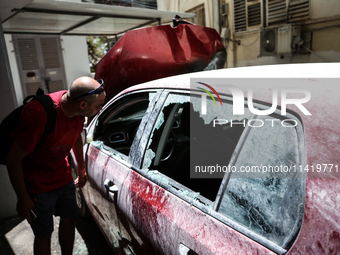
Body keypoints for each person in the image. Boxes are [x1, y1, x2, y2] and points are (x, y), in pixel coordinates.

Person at [6, 77, 106, 255]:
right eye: (98, 106)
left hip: (63, 177)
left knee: (69, 220)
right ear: (82, 104)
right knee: (44, 233)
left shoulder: (76, 109)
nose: (100, 109)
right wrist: (23, 198)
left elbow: (75, 135)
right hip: (37, 187)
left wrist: (81, 169)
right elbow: (13, 159)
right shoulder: (39, 115)